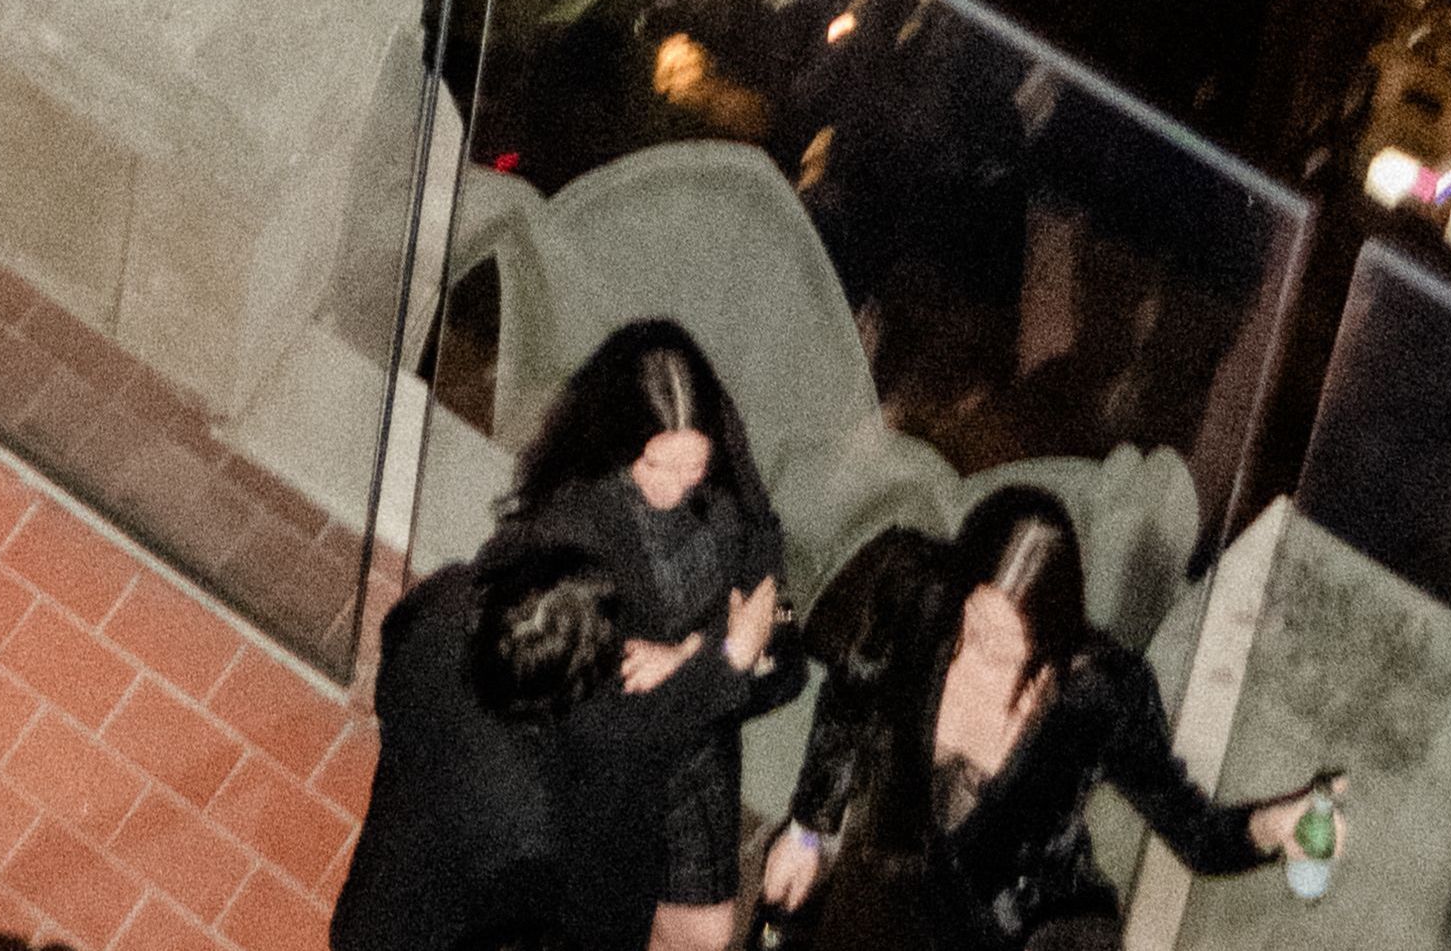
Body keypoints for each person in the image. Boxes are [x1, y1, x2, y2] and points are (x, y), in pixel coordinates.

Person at [761, 488, 1330, 947]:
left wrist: (1269, 830)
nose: (977, 650)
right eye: (974, 622)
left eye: (1007, 646)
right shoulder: (919, 608)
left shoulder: (1101, 697)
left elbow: (1196, 832)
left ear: (1052, 639)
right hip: (900, 898)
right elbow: (846, 705)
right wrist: (808, 830)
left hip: (1039, 925)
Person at [336, 540, 776, 951]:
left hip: (373, 903)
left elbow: (393, 643)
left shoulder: (443, 611)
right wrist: (727, 664)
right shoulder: (528, 822)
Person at [514, 326, 792, 951]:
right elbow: (608, 717)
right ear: (619, 443)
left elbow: (764, 546)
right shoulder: (577, 525)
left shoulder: (721, 451)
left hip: (699, 745)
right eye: (654, 464)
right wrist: (724, 652)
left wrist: (692, 652)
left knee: (706, 935)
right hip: (625, 766)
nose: (673, 487)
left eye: (693, 466)